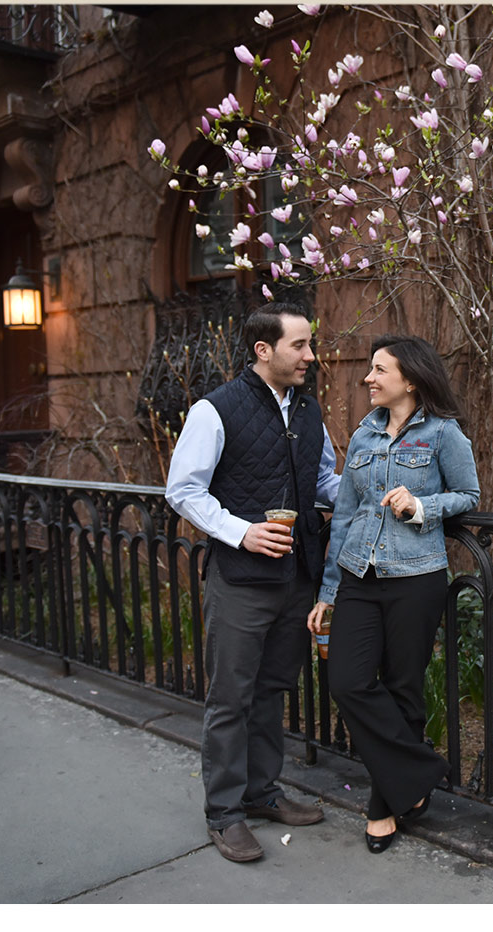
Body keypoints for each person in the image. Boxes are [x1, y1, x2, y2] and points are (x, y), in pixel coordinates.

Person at [165, 301, 341, 863]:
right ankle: (224, 813)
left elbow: (323, 480)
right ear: (264, 350)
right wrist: (242, 533)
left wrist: (379, 494)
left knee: (272, 692)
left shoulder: (310, 410)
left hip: (297, 579)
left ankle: (263, 793)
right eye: (300, 346)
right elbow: (183, 490)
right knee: (230, 698)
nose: (310, 356)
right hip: (240, 579)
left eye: (310, 344)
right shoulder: (213, 411)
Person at [307, 334, 479, 853]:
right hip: (359, 574)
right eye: (370, 369)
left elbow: (468, 494)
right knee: (348, 681)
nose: (369, 378)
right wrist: (328, 592)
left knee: (403, 686)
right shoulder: (363, 436)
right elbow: (345, 517)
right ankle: (423, 769)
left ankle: (385, 805)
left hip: (416, 576)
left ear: (410, 377)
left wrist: (421, 504)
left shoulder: (443, 434)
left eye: (380, 370)